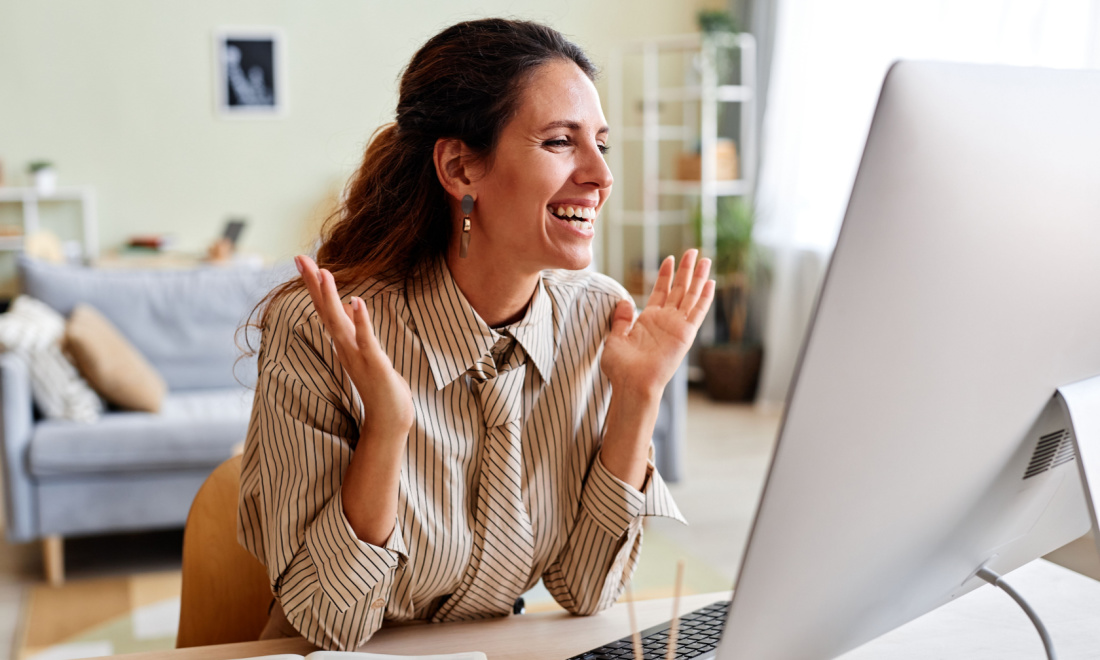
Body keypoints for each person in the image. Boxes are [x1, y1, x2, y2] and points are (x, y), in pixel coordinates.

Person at [237, 18, 715, 651]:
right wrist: (387, 427)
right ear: (461, 167)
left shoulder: (599, 318)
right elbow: (331, 623)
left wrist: (637, 398)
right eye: (559, 142)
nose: (600, 174)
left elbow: (587, 589)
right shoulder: (320, 330)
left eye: (602, 143)